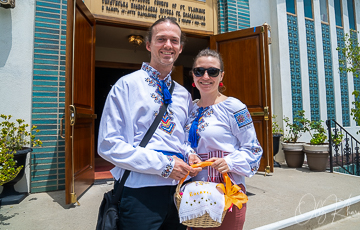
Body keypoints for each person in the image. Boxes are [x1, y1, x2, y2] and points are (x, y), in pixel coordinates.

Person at [97, 18, 201, 230]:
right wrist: (164, 166)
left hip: (179, 190)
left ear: (180, 48)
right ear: (148, 45)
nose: (168, 45)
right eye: (161, 39)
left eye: (174, 40)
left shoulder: (182, 94)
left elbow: (182, 137)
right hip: (140, 191)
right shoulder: (127, 85)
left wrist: (189, 153)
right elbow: (108, 144)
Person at [185, 49, 263, 230]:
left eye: (212, 71)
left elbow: (254, 149)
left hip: (227, 193)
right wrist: (189, 155)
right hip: (195, 193)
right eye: (199, 71)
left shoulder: (234, 107)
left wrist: (229, 161)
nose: (205, 76)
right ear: (194, 75)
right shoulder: (191, 109)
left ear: (221, 76)